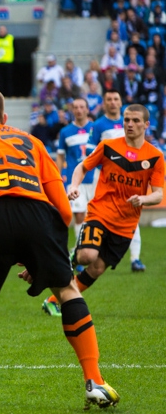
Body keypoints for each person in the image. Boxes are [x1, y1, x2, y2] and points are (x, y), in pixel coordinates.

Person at [0, 87, 118, 412]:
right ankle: (95, 381)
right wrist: (47, 255)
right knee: (68, 290)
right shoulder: (31, 141)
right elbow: (60, 200)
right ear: (4, 118)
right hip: (37, 215)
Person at [67, 104, 163, 295]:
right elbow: (83, 167)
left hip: (125, 224)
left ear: (146, 125)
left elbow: (159, 193)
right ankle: (72, 256)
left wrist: (143, 198)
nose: (129, 124)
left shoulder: (156, 157)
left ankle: (56, 300)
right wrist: (74, 185)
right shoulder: (108, 146)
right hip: (100, 212)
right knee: (87, 255)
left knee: (97, 268)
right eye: (126, 119)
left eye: (135, 120)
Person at [41, 97, 94, 316]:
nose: (79, 110)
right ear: (72, 110)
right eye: (76, 107)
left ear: (87, 109)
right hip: (77, 180)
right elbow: (61, 156)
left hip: (96, 178)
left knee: (91, 216)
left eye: (82, 107)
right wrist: (61, 174)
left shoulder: (95, 128)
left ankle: (78, 252)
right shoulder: (66, 132)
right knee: (79, 214)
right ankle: (79, 251)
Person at [87, 90, 146, 272]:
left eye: (116, 99)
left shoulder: (130, 123)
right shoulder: (98, 126)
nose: (112, 102)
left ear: (121, 103)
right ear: (104, 103)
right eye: (109, 100)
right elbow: (91, 154)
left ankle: (135, 259)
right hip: (108, 182)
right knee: (102, 217)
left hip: (132, 181)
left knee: (132, 218)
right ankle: (90, 253)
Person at [0, 26, 14, 96]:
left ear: (6, 31)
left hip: (8, 62)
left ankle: (9, 94)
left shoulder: (10, 38)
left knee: (9, 80)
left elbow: (15, 49)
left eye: (3, 30)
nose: (1, 32)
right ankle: (0, 95)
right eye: (0, 30)